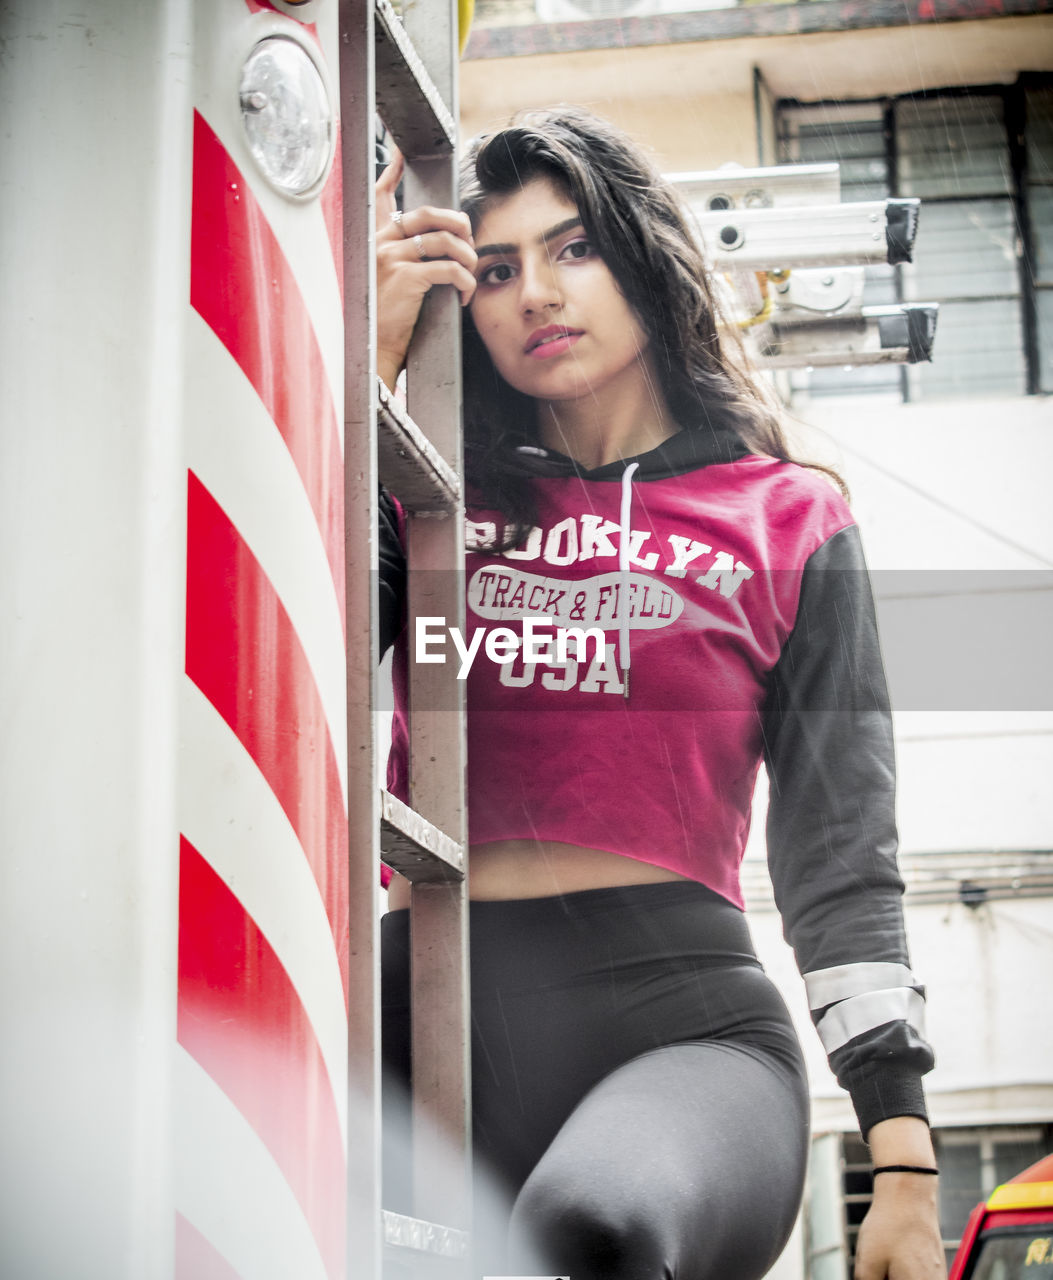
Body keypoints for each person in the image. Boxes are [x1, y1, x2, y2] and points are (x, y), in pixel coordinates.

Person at [374, 106, 945, 1280]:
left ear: (641, 256)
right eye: (496, 267)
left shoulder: (789, 518)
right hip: (416, 1003)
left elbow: (842, 855)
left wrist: (903, 1165)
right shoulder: (421, 495)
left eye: (574, 248)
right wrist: (365, 381)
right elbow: (286, 640)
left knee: (594, 1237)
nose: (536, 291)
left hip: (683, 1025)